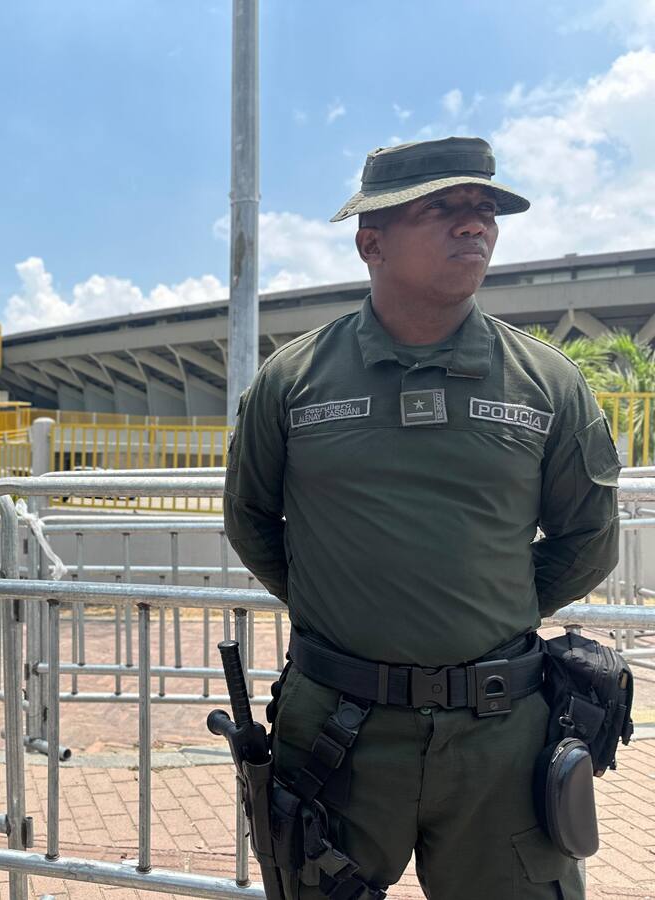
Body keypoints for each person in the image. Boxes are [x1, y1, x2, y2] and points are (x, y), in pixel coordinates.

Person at [224, 137, 620, 899]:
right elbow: (251, 521)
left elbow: (587, 540)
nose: (475, 226)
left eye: (484, 211)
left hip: (499, 739)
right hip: (336, 731)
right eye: (443, 209)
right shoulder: (293, 381)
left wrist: (482, 615)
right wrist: (349, 610)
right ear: (370, 241)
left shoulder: (548, 384)